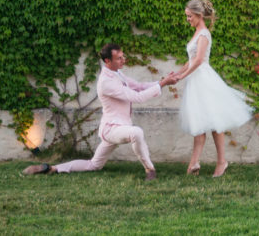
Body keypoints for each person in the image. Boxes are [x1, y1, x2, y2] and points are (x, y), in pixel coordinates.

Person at [23, 42, 176, 180]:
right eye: (119, 58)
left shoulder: (117, 72)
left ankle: (53, 168)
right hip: (111, 130)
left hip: (118, 127)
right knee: (136, 132)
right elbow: (137, 97)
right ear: (107, 61)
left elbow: (138, 86)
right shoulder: (106, 82)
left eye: (123, 56)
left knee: (94, 165)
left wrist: (162, 82)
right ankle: (150, 170)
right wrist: (163, 83)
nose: (123, 60)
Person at [170, 0, 253, 177]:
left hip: (204, 80)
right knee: (199, 122)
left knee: (215, 123)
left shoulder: (204, 34)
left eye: (189, 16)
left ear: (199, 15)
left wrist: (183, 76)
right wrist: (177, 73)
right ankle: (194, 163)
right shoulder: (196, 33)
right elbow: (191, 59)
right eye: (186, 16)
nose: (187, 19)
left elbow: (199, 60)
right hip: (196, 81)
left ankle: (221, 162)